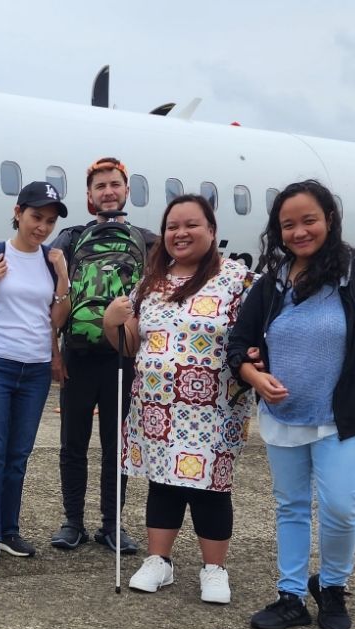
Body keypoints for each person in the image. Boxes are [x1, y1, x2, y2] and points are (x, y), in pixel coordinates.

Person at [229, 179, 355, 629]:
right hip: (284, 419)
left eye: (309, 220)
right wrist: (254, 377)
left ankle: (332, 586)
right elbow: (238, 344)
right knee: (290, 507)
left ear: (329, 220)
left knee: (342, 507)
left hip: (340, 421)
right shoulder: (273, 284)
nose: (299, 232)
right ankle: (290, 596)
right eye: (288, 225)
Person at [102, 194, 256, 604]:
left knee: (210, 485)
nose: (180, 233)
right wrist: (111, 322)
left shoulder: (237, 279)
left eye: (191, 225)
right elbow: (129, 343)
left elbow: (255, 335)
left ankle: (214, 569)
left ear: (212, 231)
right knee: (164, 483)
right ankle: (160, 561)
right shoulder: (151, 281)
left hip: (214, 407)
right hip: (156, 407)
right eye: (172, 227)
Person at [49, 157, 155, 554]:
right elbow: (56, 295)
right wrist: (54, 352)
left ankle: (112, 524)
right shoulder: (71, 237)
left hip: (121, 356)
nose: (108, 191)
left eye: (114, 184)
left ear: (127, 191)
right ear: (90, 196)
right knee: (72, 443)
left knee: (117, 445)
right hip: (77, 354)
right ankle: (72, 521)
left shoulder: (147, 239)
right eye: (100, 187)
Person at [0, 181, 70, 567]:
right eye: (35, 217)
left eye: (48, 221)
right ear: (18, 212)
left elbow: (56, 320)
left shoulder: (51, 261)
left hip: (36, 368)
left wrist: (62, 278)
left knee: (19, 454)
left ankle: (9, 531)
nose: (41, 227)